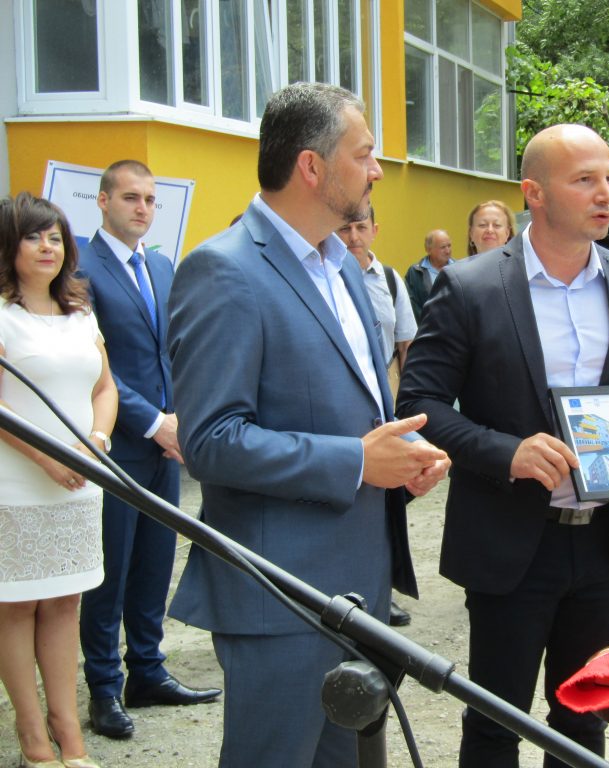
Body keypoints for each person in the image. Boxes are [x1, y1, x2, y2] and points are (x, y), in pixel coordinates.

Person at [166, 82, 449, 768]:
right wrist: (356, 461)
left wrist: (403, 450)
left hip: (357, 588)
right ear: (312, 166)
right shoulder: (223, 270)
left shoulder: (343, 268)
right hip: (280, 596)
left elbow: (351, 407)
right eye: (365, 154)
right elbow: (209, 440)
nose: (377, 170)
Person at [397, 123, 609, 768]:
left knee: (584, 720)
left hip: (605, 542)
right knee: (496, 722)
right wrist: (506, 451)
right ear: (535, 193)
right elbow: (419, 404)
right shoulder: (470, 286)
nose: (605, 194)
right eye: (585, 180)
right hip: (510, 542)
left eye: (608, 179)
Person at [76, 160, 221, 741]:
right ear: (103, 201)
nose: (143, 209)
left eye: (151, 200)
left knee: (155, 562)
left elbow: (174, 351)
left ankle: (148, 670)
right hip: (117, 441)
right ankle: (104, 687)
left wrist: (181, 417)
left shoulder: (161, 265)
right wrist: (154, 421)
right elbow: (92, 364)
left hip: (166, 445)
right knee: (109, 571)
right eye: (130, 198)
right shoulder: (81, 268)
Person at [0, 192, 117, 768]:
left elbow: (105, 387)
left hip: (80, 480)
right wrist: (48, 458)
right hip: (17, 483)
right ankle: (33, 740)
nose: (47, 247)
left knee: (66, 602)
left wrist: (95, 442)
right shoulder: (2, 314)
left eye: (54, 237)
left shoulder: (80, 312)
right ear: (9, 246)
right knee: (17, 607)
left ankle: (69, 735)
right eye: (33, 236)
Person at [337, 205, 418, 627]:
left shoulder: (389, 278)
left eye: (361, 227)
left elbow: (406, 343)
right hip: (341, 396)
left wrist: (406, 402)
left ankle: (381, 591)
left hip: (384, 390)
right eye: (345, 228)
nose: (353, 236)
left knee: (387, 499)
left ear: (374, 230)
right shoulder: (329, 275)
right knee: (348, 489)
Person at [405, 228, 454, 321]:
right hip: (427, 326)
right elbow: (412, 304)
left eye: (449, 246)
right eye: (443, 247)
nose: (448, 251)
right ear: (428, 249)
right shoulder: (415, 272)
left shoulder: (459, 269)